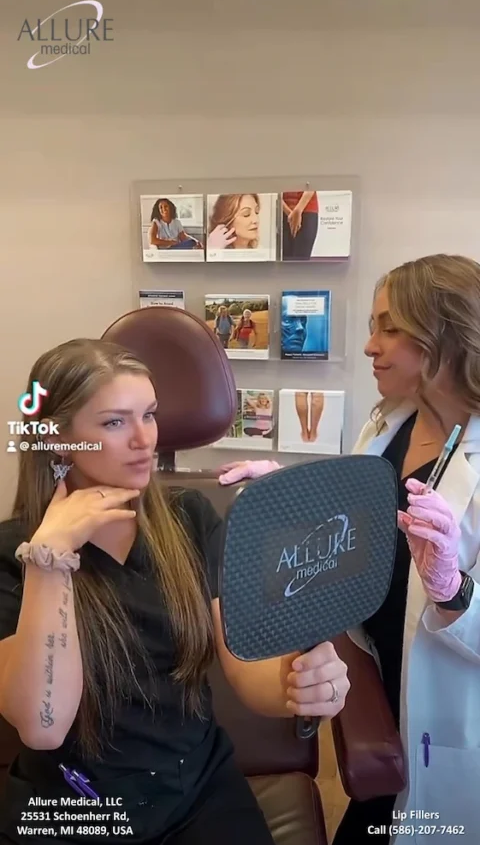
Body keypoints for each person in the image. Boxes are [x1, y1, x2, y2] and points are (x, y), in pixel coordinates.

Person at [0, 338, 350, 845]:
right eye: (115, 422)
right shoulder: (14, 552)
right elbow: (43, 725)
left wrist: (300, 688)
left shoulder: (189, 517)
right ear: (58, 438)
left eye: (150, 414)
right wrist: (51, 558)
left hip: (196, 788)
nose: (145, 439)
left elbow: (244, 667)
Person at [219, 253, 480, 845]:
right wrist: (283, 492)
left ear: (448, 335)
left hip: (451, 723)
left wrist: (454, 590)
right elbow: (359, 530)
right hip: (380, 686)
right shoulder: (393, 424)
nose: (369, 346)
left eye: (389, 327)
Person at [282, 191, 318, 260]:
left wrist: (298, 209)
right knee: (284, 261)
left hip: (307, 208)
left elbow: (313, 182)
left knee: (301, 260)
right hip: (281, 209)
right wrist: (289, 212)